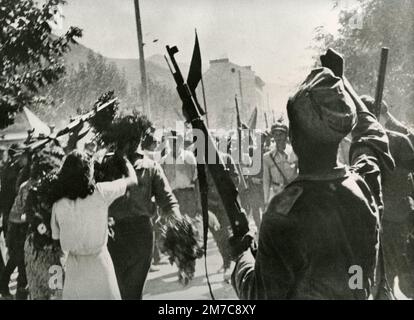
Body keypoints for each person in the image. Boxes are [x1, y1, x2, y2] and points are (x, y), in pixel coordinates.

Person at [231, 67, 394, 300]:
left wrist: (242, 260)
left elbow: (261, 296)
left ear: (294, 138)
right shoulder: (362, 186)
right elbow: (371, 136)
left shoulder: (283, 214)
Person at [50, 150, 137, 300]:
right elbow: (132, 181)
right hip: (100, 264)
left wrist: (55, 290)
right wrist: (124, 159)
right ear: (88, 172)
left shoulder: (58, 206)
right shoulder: (100, 193)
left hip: (74, 270)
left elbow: (56, 251)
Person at [105, 139, 182, 300]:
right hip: (113, 234)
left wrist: (179, 227)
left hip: (141, 234)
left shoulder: (150, 166)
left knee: (133, 291)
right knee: (117, 288)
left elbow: (167, 200)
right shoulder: (105, 166)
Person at [361, 95, 414, 298]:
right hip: (379, 220)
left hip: (392, 220)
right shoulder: (359, 144)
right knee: (377, 276)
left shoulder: (398, 141)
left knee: (389, 276)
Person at [262, 121, 298, 208]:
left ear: (286, 136)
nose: (278, 138)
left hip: (292, 195)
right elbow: (266, 180)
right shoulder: (267, 157)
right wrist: (266, 200)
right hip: (276, 194)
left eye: (281, 134)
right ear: (273, 136)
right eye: (276, 134)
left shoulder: (295, 153)